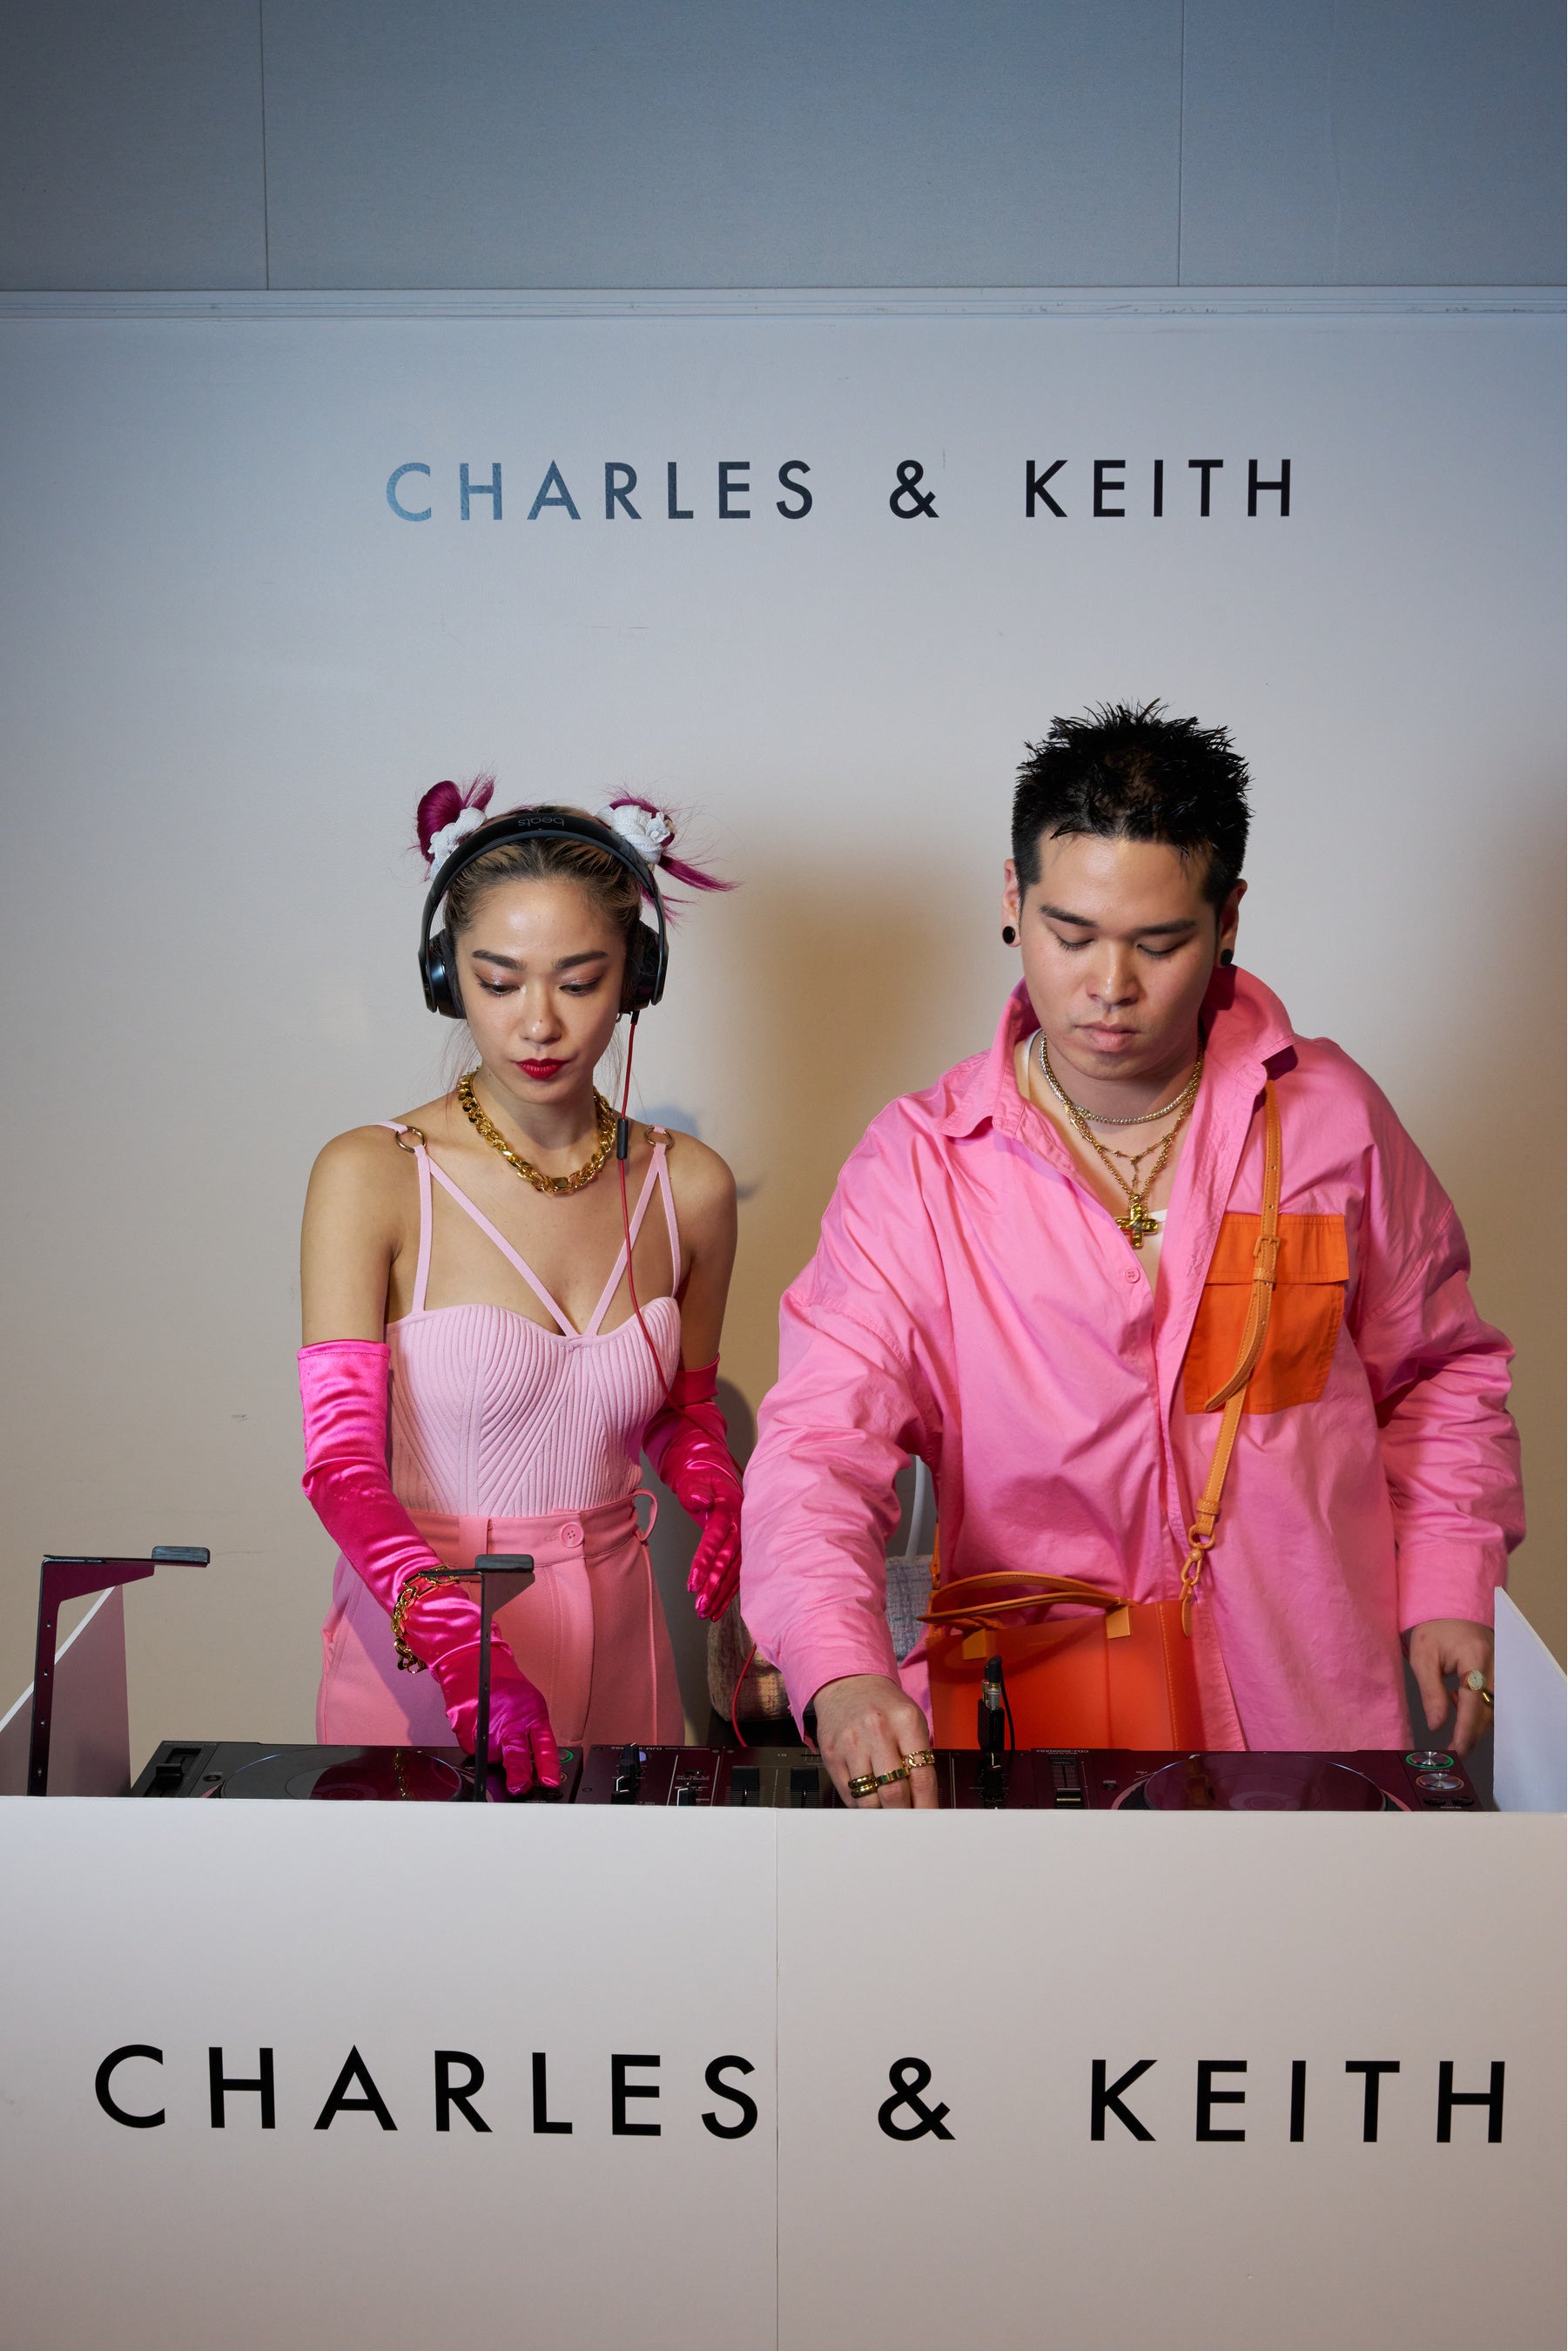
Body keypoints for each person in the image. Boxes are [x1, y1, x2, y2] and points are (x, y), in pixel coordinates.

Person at [739, 703, 1523, 1808]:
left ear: (1227, 918)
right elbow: (819, 1449)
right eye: (1071, 935)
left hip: (1306, 1722)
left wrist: (1445, 1578)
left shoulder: (1330, 1120)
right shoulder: (918, 1169)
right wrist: (843, 1671)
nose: (1109, 986)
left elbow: (1441, 1374)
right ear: (1011, 901)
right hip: (1034, 1742)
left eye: (1158, 944)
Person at [298, 780, 744, 1793]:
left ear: (637, 977)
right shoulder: (373, 1175)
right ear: (445, 976)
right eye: (498, 983)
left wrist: (711, 1479)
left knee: (622, 1896)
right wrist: (458, 1643)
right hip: (429, 1644)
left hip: (621, 1641)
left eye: (580, 982)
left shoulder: (690, 1188)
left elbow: (680, 1406)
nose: (538, 1024)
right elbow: (339, 1467)